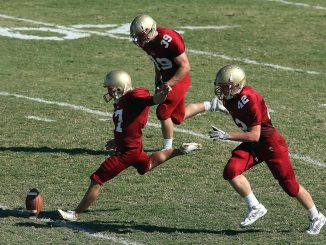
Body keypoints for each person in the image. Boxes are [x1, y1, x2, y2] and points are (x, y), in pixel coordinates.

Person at [58, 70, 202, 221]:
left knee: (97, 179)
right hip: (134, 148)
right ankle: (180, 150)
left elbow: (154, 100)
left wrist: (163, 94)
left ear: (121, 85)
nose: (109, 91)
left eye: (111, 87)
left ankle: (75, 214)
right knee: (147, 165)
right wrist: (118, 139)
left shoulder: (135, 95)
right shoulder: (123, 101)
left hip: (127, 153)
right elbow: (128, 123)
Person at [208, 64, 325, 235]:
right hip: (256, 144)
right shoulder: (230, 98)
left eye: (226, 86)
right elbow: (242, 117)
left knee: (290, 186)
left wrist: (227, 136)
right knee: (231, 171)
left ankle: (317, 216)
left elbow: (254, 135)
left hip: (270, 143)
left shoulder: (251, 98)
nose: (222, 90)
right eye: (221, 86)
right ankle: (255, 207)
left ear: (238, 85)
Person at [130, 14, 227, 150]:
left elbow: (185, 66)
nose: (139, 39)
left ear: (150, 30)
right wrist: (158, 81)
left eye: (141, 35)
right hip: (166, 78)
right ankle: (212, 105)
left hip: (179, 78)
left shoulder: (169, 39)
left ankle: (167, 148)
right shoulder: (146, 42)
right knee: (178, 117)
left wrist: (169, 83)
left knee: (163, 112)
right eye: (137, 35)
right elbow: (157, 62)